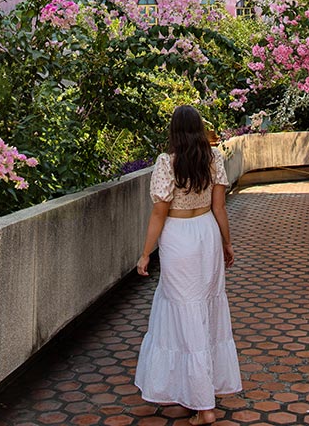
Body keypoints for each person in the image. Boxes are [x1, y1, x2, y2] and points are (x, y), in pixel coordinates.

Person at [134, 105, 242, 425]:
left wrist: (145, 253)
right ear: (198, 129)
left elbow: (158, 213)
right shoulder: (213, 159)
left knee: (183, 312)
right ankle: (191, 392)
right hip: (206, 232)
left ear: (174, 131)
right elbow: (220, 207)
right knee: (203, 310)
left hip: (178, 236)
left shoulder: (167, 163)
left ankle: (204, 405)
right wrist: (226, 242)